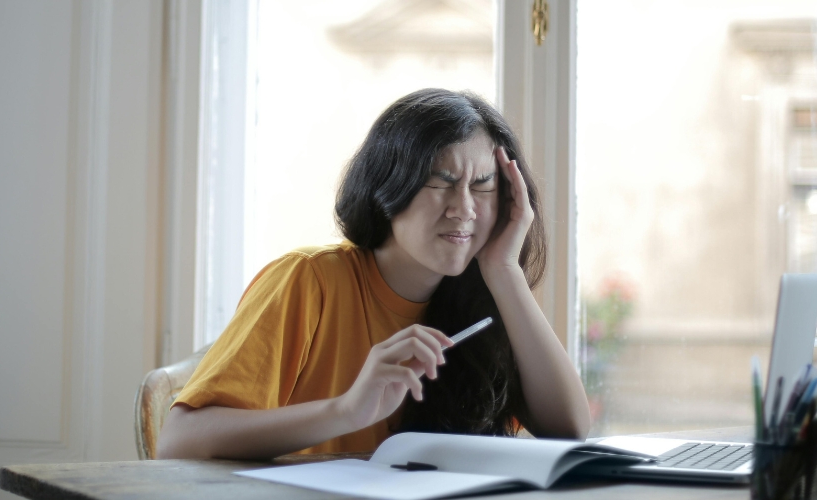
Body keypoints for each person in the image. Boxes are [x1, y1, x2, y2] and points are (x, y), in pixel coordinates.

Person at [157, 88, 590, 460]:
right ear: (389, 185)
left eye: (483, 185)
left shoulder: (484, 296)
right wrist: (346, 410)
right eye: (440, 182)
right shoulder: (309, 280)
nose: (464, 208)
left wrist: (504, 269)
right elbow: (178, 442)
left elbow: (569, 428)